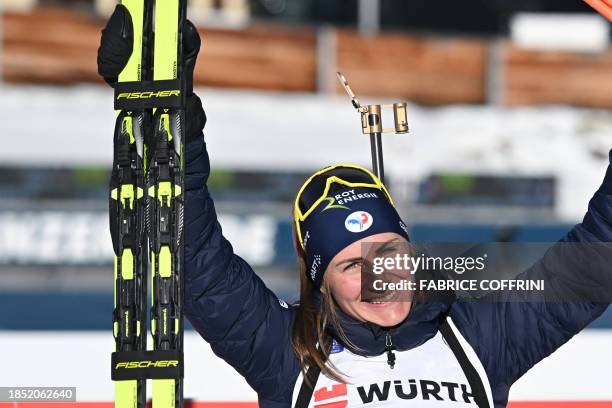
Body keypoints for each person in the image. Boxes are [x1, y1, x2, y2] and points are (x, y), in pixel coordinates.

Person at [98, 10, 612, 408]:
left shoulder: (480, 337)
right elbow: (193, 264)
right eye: (351, 264)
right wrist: (174, 127)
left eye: (388, 250)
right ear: (321, 282)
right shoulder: (289, 355)